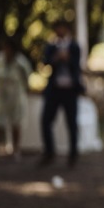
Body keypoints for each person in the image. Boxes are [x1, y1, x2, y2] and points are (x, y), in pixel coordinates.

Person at [39, 19, 84, 167]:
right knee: (46, 120)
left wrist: (68, 59)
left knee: (71, 123)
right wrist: (57, 59)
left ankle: (73, 155)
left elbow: (77, 66)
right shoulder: (52, 46)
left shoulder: (74, 46)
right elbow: (46, 62)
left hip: (70, 90)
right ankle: (49, 152)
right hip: (55, 89)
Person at [0, 36, 33, 161]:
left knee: (16, 123)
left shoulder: (21, 62)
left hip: (16, 95)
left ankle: (16, 149)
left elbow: (26, 78)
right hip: (1, 95)